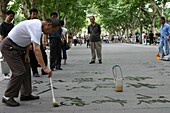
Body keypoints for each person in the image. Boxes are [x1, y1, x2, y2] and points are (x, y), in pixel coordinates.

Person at [0, 18, 60, 107]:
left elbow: (28, 40)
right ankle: (7, 96)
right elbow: (36, 49)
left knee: (27, 69)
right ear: (49, 25)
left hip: (20, 48)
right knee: (19, 71)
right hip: (9, 47)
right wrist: (44, 67)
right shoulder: (36, 27)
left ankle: (26, 94)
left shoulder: (38, 27)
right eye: (52, 31)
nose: (50, 33)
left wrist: (27, 54)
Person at [28, 8, 48, 77]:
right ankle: (35, 71)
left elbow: (44, 32)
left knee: (44, 55)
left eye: (36, 14)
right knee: (33, 57)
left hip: (38, 42)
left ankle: (44, 69)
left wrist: (45, 41)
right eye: (33, 14)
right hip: (30, 42)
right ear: (30, 15)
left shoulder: (39, 22)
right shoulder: (28, 22)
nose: (35, 15)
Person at [0, 10, 15, 79]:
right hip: (5, 44)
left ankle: (13, 72)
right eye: (10, 16)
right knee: (4, 59)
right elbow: (1, 36)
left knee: (12, 58)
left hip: (12, 44)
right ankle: (5, 73)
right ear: (7, 15)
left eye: (12, 16)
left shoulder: (12, 25)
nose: (11, 18)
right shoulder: (2, 25)